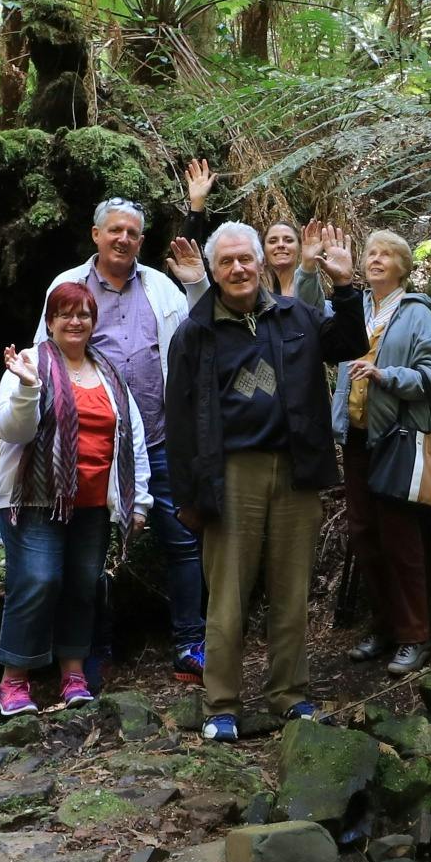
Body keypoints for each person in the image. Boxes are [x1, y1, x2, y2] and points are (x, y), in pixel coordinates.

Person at [164, 220, 334, 742]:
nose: (238, 269)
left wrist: (346, 287)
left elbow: (347, 341)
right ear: (213, 273)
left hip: (295, 468)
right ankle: (221, 704)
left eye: (245, 259)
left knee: (291, 590)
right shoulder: (196, 332)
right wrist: (188, 496)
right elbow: (179, 420)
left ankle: (290, 695)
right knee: (228, 597)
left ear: (261, 263)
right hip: (230, 472)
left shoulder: (295, 315)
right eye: (226, 262)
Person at [42, 197, 203, 680]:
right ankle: (96, 649)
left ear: (141, 240)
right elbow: (44, 356)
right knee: (90, 551)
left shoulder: (161, 287)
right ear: (96, 234)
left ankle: (190, 643)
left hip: (159, 436)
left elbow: (198, 336)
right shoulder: (68, 286)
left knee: (183, 541)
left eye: (132, 233)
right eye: (114, 230)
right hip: (93, 446)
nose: (123, 239)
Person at [0, 279, 143, 712]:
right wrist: (27, 388)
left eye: (83, 314)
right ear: (50, 320)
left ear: (94, 321)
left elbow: (132, 438)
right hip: (35, 500)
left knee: (83, 586)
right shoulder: (29, 362)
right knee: (37, 580)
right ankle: (12, 682)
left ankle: (73, 673)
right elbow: (10, 430)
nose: (75, 322)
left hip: (93, 504)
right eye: (65, 314)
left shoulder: (108, 372)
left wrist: (139, 500)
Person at [339, 226, 431, 672]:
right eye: (370, 253)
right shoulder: (355, 308)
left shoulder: (417, 314)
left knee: (400, 539)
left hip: (397, 440)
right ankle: (383, 627)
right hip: (356, 439)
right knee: (365, 537)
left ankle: (414, 635)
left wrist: (386, 375)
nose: (376, 260)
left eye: (386, 254)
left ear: (403, 267)